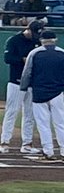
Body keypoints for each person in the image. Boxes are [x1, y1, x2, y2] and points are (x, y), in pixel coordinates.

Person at [0, 20, 42, 154]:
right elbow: (8, 58)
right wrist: (22, 59)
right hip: (16, 81)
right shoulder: (14, 40)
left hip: (32, 82)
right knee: (11, 111)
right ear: (27, 29)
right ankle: (4, 142)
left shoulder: (37, 42)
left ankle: (27, 143)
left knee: (30, 113)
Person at [20, 29, 64, 161]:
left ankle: (48, 151)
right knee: (61, 123)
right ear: (55, 40)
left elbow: (27, 73)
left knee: (43, 124)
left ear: (41, 40)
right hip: (58, 93)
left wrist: (24, 87)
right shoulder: (62, 53)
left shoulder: (34, 53)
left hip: (39, 93)